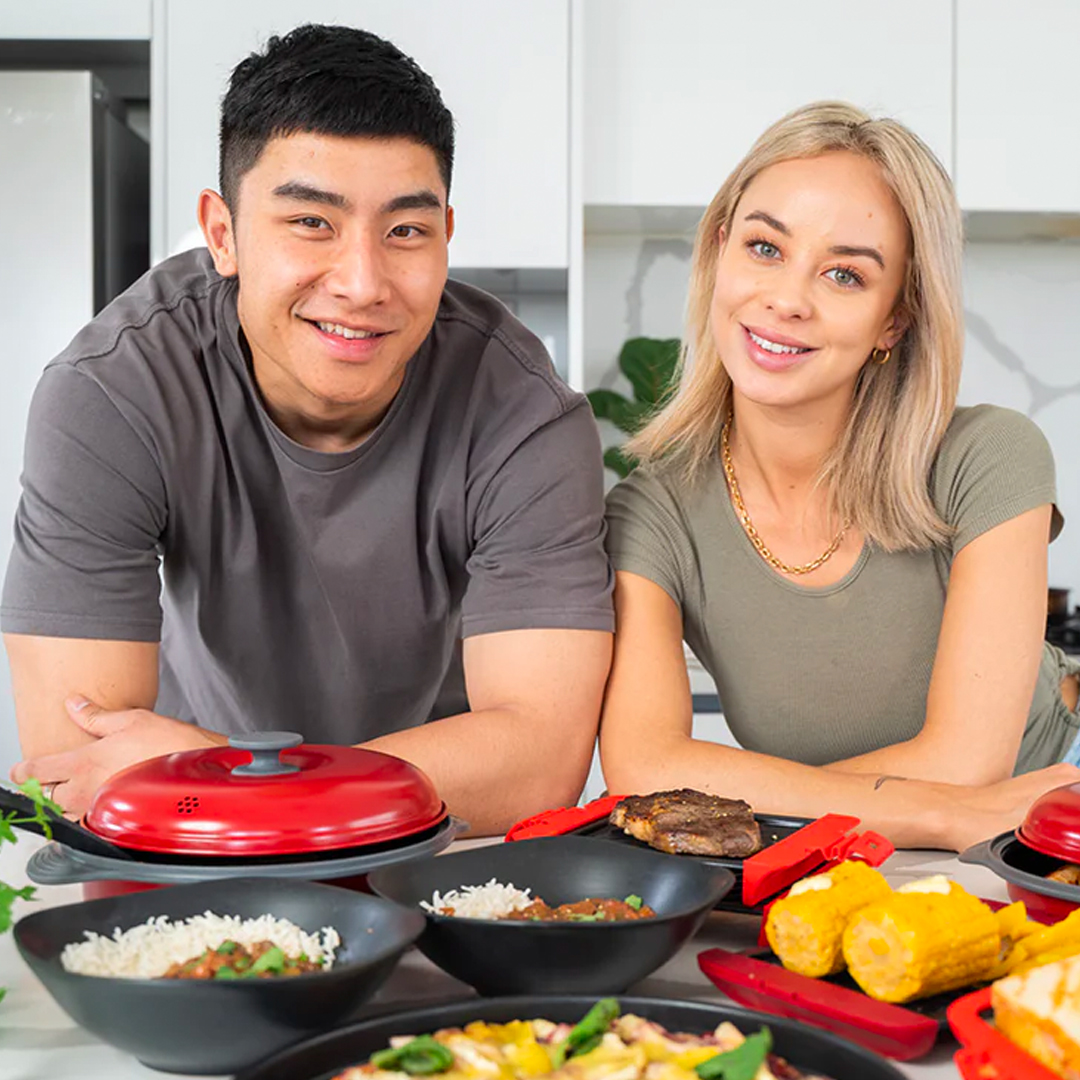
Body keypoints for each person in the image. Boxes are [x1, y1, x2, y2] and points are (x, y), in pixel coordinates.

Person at [1, 25, 614, 833]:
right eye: (311, 223)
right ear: (222, 234)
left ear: (445, 236)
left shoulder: (526, 414)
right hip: (200, 852)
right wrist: (282, 798)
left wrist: (232, 778)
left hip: (424, 857)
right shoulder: (112, 392)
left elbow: (534, 767)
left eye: (405, 231)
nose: (363, 283)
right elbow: (78, 766)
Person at [599, 101, 1080, 852]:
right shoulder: (651, 514)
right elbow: (644, 767)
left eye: (846, 274)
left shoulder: (987, 455)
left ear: (896, 318)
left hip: (1048, 813)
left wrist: (767, 805)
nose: (787, 300)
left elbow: (969, 762)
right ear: (719, 251)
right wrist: (931, 813)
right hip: (868, 842)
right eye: (764, 248)